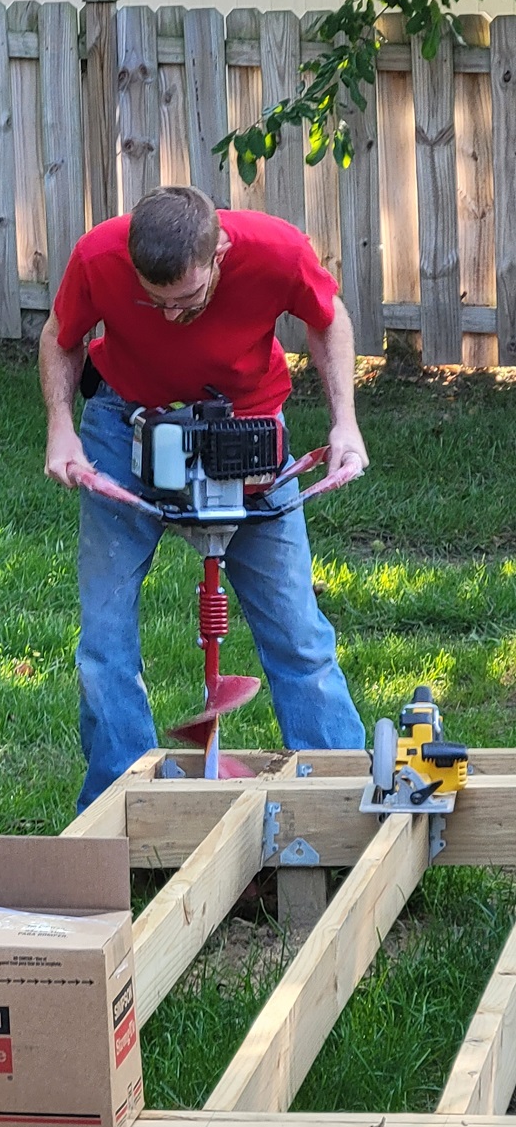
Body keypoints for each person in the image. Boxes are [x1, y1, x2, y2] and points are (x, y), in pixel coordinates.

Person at [39, 185, 368, 810]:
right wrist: (60, 429)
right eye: (153, 300)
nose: (170, 316)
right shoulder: (97, 255)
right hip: (126, 425)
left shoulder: (276, 250)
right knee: (104, 636)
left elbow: (329, 321)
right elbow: (61, 337)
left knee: (296, 628)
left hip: (246, 430)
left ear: (220, 250)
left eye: (187, 299)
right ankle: (120, 802)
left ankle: (343, 795)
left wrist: (343, 422)